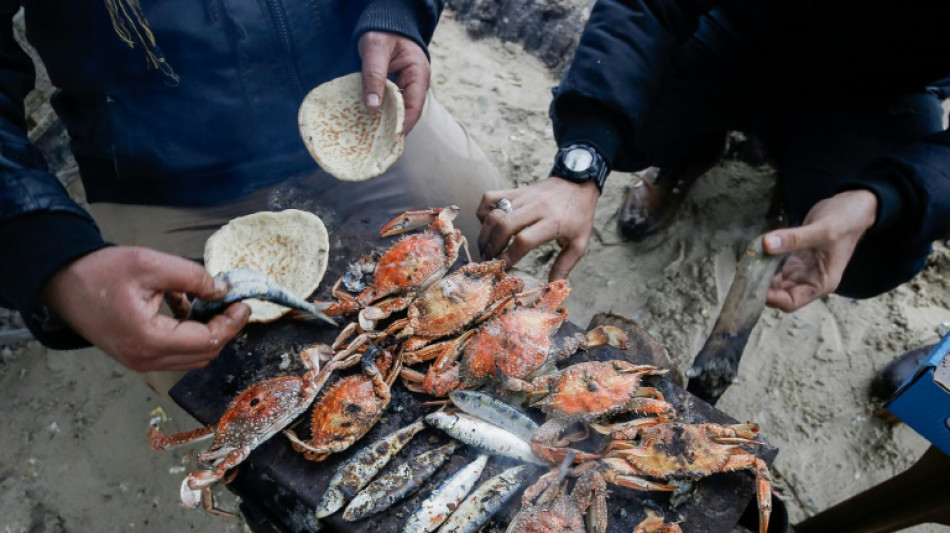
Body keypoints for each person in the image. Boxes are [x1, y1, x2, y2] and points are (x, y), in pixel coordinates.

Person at [0, 0, 498, 386]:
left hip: (357, 106)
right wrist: (46, 251)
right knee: (206, 375)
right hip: (159, 171)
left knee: (483, 238)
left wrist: (395, 12)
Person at [476, 0, 950, 317]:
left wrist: (881, 198)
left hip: (877, 91)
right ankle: (690, 152)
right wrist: (583, 161)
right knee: (618, 127)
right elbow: (648, 6)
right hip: (747, 29)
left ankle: (805, 188)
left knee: (878, 255)